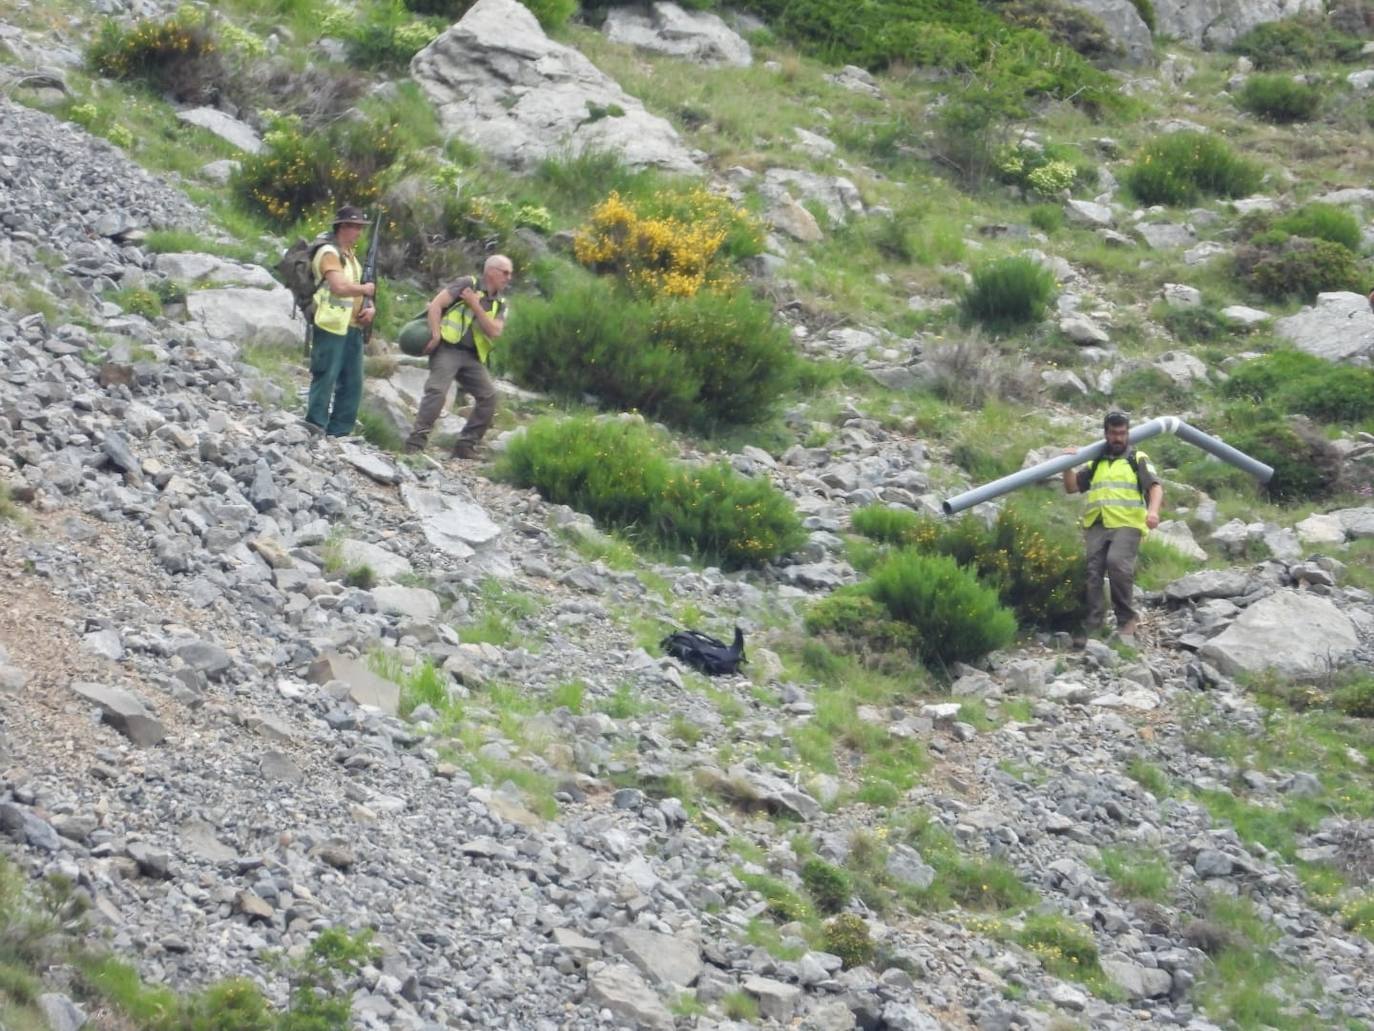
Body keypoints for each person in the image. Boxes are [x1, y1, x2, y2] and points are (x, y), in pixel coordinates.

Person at [1062, 411, 1163, 644]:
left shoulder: (1136, 458)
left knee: (1116, 563)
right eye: (1114, 433)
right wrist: (1067, 465)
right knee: (1093, 572)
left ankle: (1126, 619)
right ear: (1106, 434)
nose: (1118, 438)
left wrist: (1153, 511)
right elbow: (1072, 487)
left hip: (1128, 523)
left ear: (1127, 433)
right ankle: (1093, 624)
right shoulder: (1096, 461)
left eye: (1122, 433)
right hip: (1097, 523)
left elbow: (1155, 487)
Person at [404, 255, 513, 460]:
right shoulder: (466, 283)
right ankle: (416, 443)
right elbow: (436, 305)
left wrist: (474, 304)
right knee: (436, 391)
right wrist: (436, 335)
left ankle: (466, 446)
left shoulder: (500, 303)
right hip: (448, 348)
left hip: (472, 356)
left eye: (510, 273)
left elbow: (494, 331)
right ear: (491, 271)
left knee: (489, 397)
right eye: (505, 272)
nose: (509, 277)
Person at [304, 205, 375, 438]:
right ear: (343, 227)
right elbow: (339, 286)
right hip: (330, 323)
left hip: (352, 326)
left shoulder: (350, 256)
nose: (359, 233)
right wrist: (365, 289)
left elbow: (355, 289)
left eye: (360, 228)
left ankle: (340, 430)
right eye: (355, 227)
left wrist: (369, 307)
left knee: (353, 383)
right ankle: (315, 424)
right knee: (326, 375)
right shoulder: (329, 253)